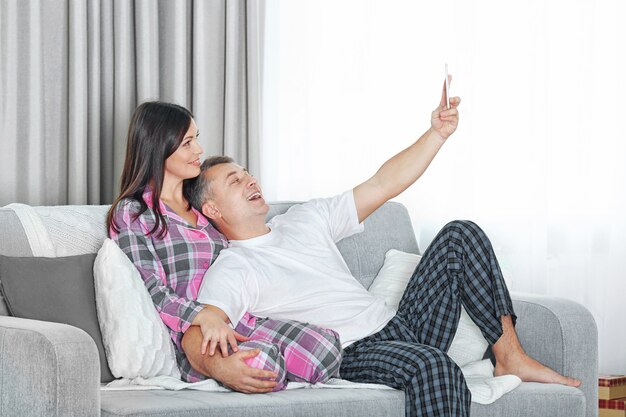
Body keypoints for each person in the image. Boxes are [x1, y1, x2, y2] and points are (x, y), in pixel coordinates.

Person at [182, 78, 582, 417]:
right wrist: (221, 367)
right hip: (353, 352)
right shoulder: (234, 266)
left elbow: (382, 183)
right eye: (236, 181)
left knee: (461, 233)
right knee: (432, 365)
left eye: (248, 174)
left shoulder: (304, 219)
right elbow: (201, 330)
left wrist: (436, 134)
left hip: (399, 325)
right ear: (212, 208)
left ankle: (510, 355)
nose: (251, 181)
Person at [106, 101, 341, 392]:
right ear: (159, 147)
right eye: (188, 143)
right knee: (263, 364)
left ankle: (277, 360)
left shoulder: (206, 210)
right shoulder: (135, 213)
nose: (199, 151)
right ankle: (259, 363)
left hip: (243, 317)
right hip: (197, 334)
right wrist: (201, 316)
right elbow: (151, 288)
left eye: (197, 138)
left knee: (325, 347)